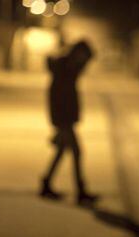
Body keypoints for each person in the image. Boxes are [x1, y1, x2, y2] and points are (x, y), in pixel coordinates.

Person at [40, 40, 98, 206]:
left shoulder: (68, 69)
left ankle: (46, 184)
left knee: (61, 152)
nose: (85, 63)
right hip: (64, 120)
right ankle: (80, 192)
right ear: (77, 54)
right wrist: (60, 122)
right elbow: (56, 98)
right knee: (77, 152)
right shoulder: (63, 71)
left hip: (66, 119)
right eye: (84, 58)